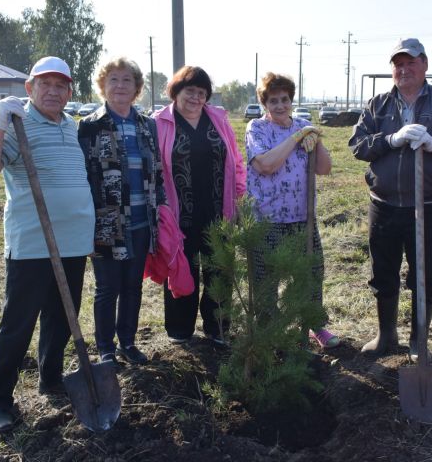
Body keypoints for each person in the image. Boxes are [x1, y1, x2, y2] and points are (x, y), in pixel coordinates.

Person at [0, 56, 95, 432]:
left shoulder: (73, 127)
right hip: (32, 242)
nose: (54, 91)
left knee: (63, 316)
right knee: (18, 323)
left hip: (73, 242)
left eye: (62, 85)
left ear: (70, 92)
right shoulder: (17, 125)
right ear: (30, 88)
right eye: (46, 84)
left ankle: (51, 379)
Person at [348, 38, 432, 359]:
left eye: (411, 63)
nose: (404, 69)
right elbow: (357, 145)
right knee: (384, 272)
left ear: (425, 65)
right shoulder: (378, 105)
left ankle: (419, 341)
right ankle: (386, 336)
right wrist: (391, 139)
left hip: (427, 206)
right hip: (384, 204)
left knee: (424, 274)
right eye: (398, 64)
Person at [78, 57, 165, 368]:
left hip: (142, 221)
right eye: (113, 79)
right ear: (103, 85)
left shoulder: (147, 125)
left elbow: (156, 170)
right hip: (107, 223)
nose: (120, 86)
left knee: (133, 286)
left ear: (137, 88)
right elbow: (83, 176)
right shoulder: (89, 126)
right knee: (107, 288)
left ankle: (128, 342)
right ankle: (105, 349)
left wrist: (162, 207)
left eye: (127, 80)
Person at [245, 72, 339, 349]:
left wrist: (316, 140)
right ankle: (269, 330)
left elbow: (324, 169)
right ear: (265, 103)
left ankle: (313, 324)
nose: (280, 105)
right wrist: (296, 137)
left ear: (291, 100)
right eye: (273, 100)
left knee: (311, 272)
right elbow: (265, 164)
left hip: (303, 217)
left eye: (284, 99)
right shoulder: (257, 128)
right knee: (267, 277)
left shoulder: (304, 125)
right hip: (267, 217)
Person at [152, 66, 246, 344]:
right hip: (179, 214)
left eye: (201, 93)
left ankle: (217, 327)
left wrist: (240, 195)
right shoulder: (159, 123)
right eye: (189, 91)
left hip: (218, 208)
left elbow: (237, 162)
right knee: (182, 269)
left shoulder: (218, 119)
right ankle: (180, 331)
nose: (195, 98)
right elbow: (153, 168)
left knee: (220, 270)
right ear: (176, 92)